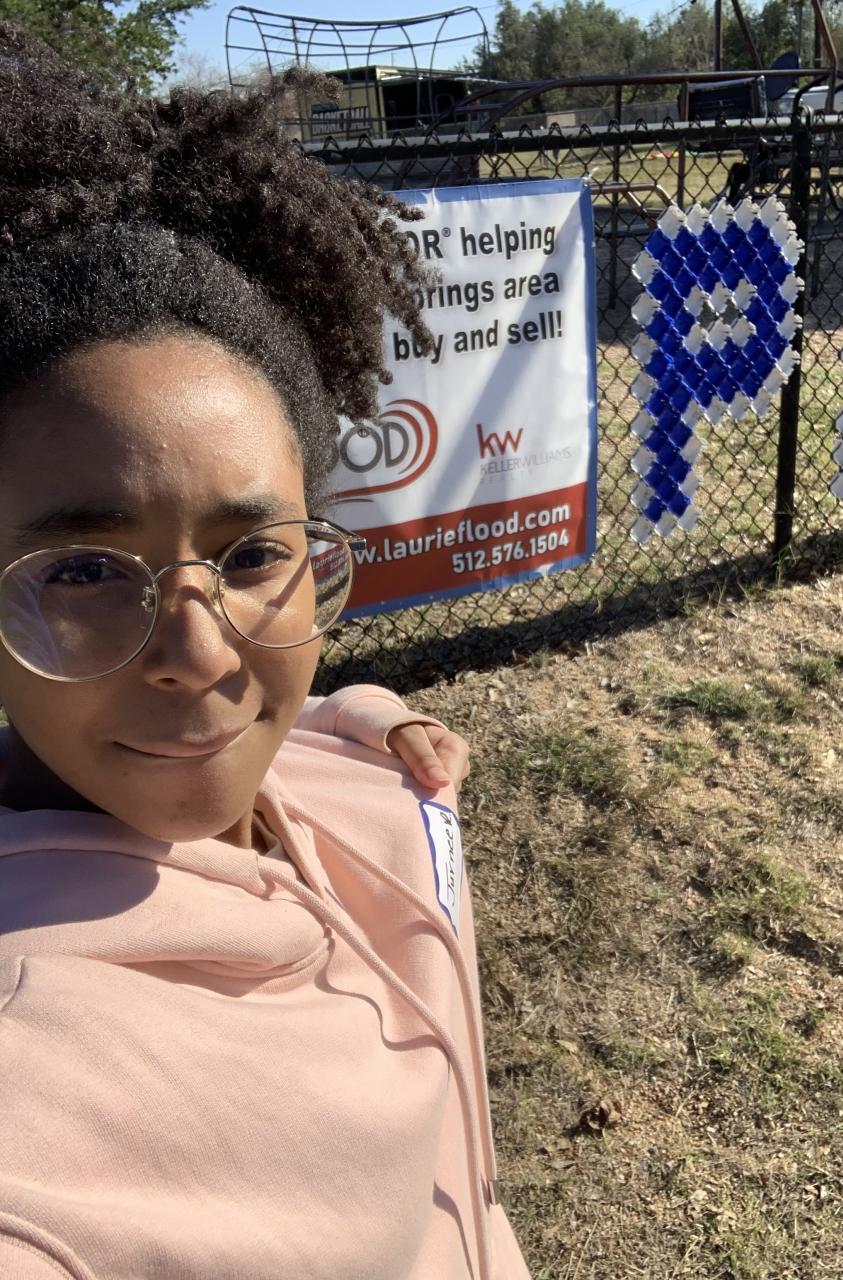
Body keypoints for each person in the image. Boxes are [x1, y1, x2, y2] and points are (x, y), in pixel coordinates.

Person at [0, 25, 530, 1280]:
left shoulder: (350, 785)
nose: (198, 654)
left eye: (249, 555)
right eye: (84, 570)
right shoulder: (36, 1091)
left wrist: (362, 718)